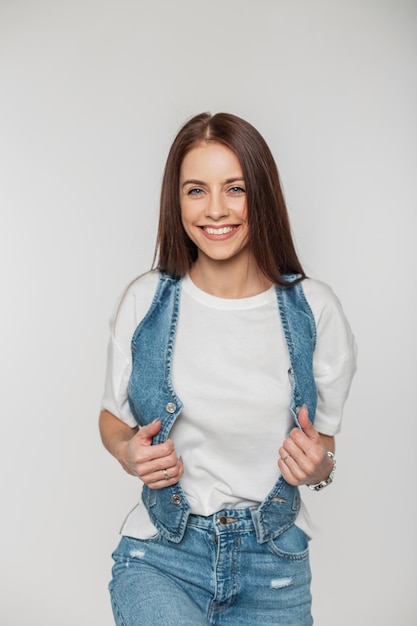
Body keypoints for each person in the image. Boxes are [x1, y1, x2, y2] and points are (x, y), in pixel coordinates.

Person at [99, 112, 357, 626]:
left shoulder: (314, 310)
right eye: (196, 190)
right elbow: (111, 418)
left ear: (260, 195)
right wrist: (130, 453)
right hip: (163, 556)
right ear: (177, 201)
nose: (215, 209)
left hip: (274, 565)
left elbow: (324, 448)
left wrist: (319, 468)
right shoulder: (145, 301)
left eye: (234, 188)